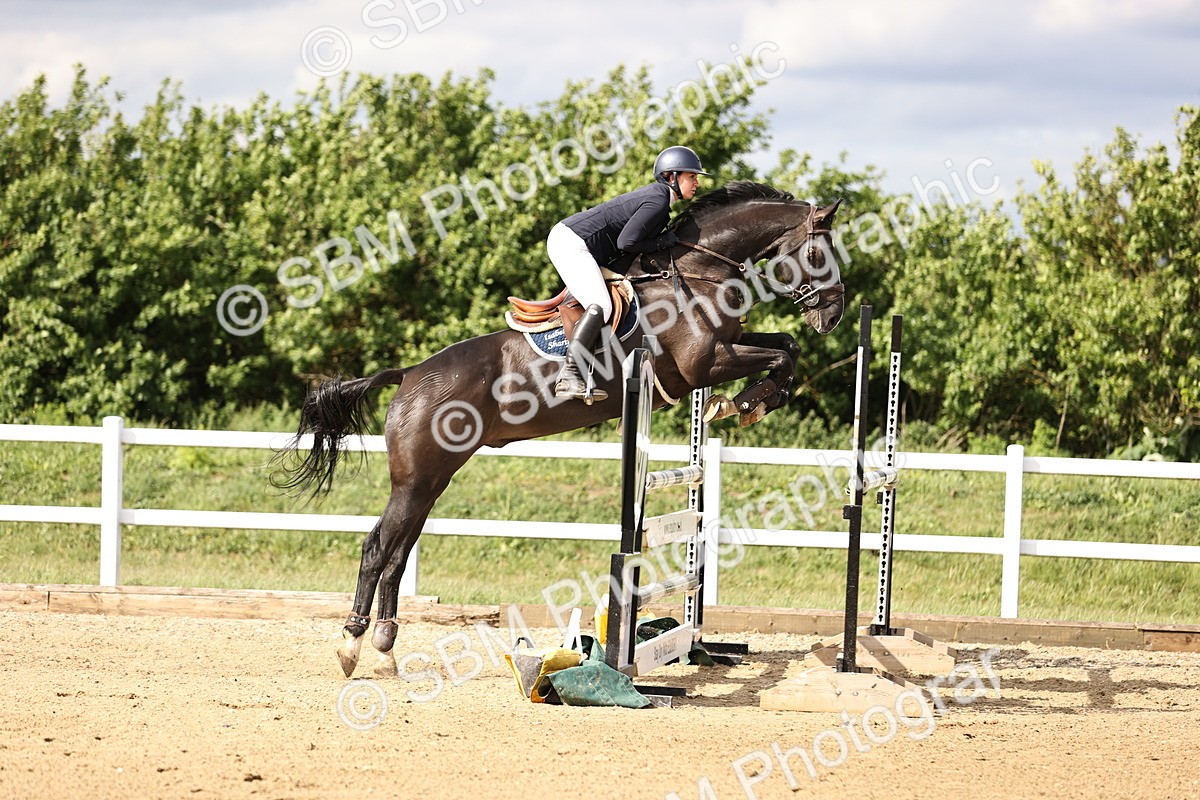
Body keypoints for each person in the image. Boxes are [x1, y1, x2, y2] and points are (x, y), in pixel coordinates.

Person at [546, 145, 708, 401]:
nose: (696, 183)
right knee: (601, 304)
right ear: (671, 177)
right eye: (692, 177)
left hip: (582, 244)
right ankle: (569, 375)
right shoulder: (657, 200)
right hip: (571, 242)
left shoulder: (660, 201)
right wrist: (661, 242)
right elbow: (626, 243)